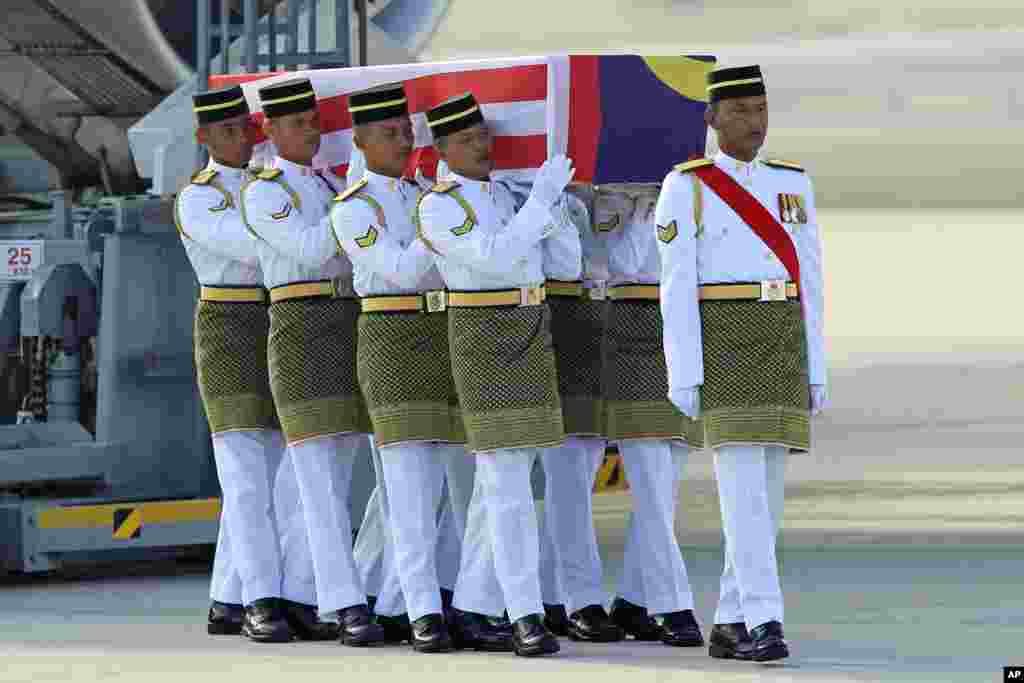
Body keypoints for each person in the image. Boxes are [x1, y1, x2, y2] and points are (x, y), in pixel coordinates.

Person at [655, 64, 828, 663]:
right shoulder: (687, 186)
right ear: (711, 119)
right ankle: (764, 618)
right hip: (724, 340)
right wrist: (684, 372)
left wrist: (816, 365)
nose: (754, 122)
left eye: (760, 109)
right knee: (741, 494)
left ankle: (730, 618)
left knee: (770, 496)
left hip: (779, 340)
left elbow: (811, 280)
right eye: (739, 112)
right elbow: (674, 287)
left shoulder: (793, 184)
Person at [416, 92, 580, 657]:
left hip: (532, 327)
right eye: (466, 140)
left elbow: (567, 267)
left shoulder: (509, 196)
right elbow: (493, 257)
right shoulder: (438, 207)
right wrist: (539, 203)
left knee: (505, 486)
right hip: (483, 334)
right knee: (507, 486)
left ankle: (473, 606)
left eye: (484, 136)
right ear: (440, 148)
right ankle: (525, 613)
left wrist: (554, 211)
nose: (482, 147)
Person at [176, 85, 332, 643]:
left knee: (275, 475)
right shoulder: (200, 197)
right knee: (244, 477)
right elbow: (256, 245)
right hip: (229, 328)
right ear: (204, 138)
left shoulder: (275, 186)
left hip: (279, 321)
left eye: (245, 128)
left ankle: (230, 596)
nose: (239, 139)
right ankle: (262, 599)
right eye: (225, 132)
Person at [330, 83, 481, 653]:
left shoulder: (426, 192)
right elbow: (397, 271)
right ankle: (421, 612)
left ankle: (415, 597)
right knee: (408, 488)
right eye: (391, 133)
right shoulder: (354, 208)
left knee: (445, 485)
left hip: (442, 335)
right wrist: (437, 223)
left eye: (408, 131)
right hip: (392, 339)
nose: (404, 141)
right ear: (361, 141)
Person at [240, 76, 385, 646]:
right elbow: (313, 248)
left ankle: (304, 595)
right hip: (300, 327)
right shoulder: (264, 190)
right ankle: (345, 602)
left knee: (332, 476)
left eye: (313, 121)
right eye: (297, 123)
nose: (310, 130)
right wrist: (357, 204)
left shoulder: (330, 185)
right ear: (270, 131)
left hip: (346, 321)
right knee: (316, 480)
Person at [594, 182, 705, 648]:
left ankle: (635, 598)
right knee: (653, 482)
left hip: (680, 333)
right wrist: (646, 206)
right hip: (630, 332)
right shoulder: (606, 200)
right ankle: (672, 603)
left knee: (667, 486)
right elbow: (622, 263)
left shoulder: (693, 191)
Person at [535, 184, 623, 642]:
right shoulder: (530, 193)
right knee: (566, 481)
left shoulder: (616, 197)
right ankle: (580, 598)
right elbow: (567, 263)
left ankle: (552, 593)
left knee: (576, 480)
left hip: (597, 331)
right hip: (553, 328)